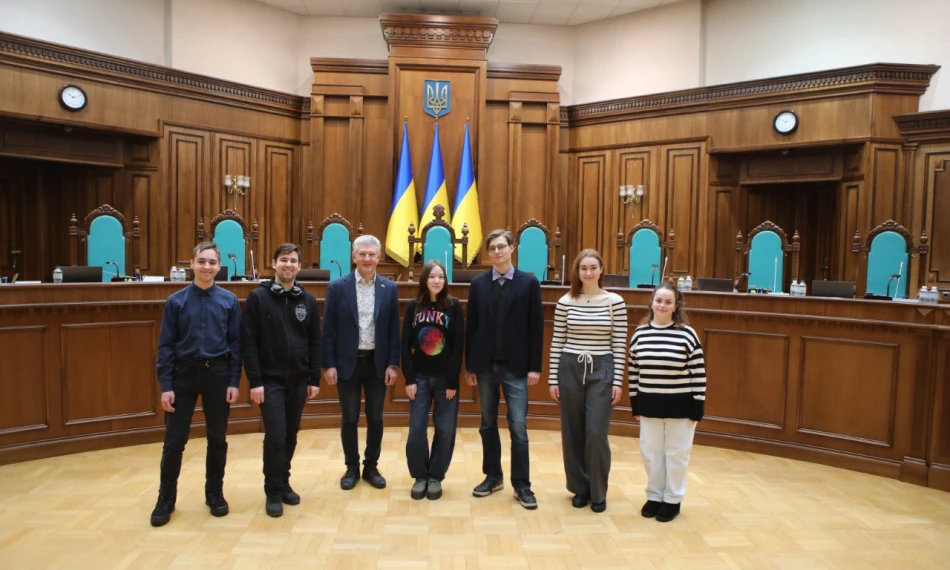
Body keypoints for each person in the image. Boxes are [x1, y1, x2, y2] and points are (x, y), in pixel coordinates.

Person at [151, 242, 242, 527]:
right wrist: (166, 385)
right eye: (201, 261)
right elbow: (166, 345)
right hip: (183, 377)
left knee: (217, 439)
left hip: (217, 374)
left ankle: (214, 493)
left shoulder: (229, 301)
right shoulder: (176, 301)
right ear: (191, 264)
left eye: (212, 262)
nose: (206, 267)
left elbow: (236, 345)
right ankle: (166, 499)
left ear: (218, 267)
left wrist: (234, 381)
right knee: (174, 441)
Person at [465, 229, 544, 509]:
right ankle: (493, 476)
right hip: (485, 367)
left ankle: (522, 485)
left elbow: (536, 327)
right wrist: (470, 366)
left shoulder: (529, 283)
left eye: (502, 247)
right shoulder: (478, 284)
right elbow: (471, 328)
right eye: (492, 249)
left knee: (518, 427)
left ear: (512, 248)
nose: (497, 252)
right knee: (487, 424)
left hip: (517, 368)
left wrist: (535, 367)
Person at [242, 243, 321, 517]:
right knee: (275, 435)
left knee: (290, 434)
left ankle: (284, 481)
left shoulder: (308, 300)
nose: (288, 264)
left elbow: (314, 341)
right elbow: (249, 342)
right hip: (269, 381)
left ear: (300, 267)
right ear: (274, 263)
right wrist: (255, 381)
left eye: (294, 261)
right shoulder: (257, 298)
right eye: (283, 259)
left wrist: (314, 377)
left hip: (299, 380)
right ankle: (272, 491)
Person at [548, 249, 627, 513]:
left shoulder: (615, 301)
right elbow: (557, 340)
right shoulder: (565, 301)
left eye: (593, 267)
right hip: (570, 367)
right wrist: (552, 379)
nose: (589, 272)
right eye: (584, 268)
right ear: (577, 271)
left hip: (601, 368)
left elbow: (618, 344)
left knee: (596, 432)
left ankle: (598, 490)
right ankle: (580, 487)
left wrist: (617, 381)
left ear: (601, 270)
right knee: (572, 431)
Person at [322, 234, 400, 490]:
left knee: (376, 418)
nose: (367, 259)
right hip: (347, 363)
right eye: (362, 254)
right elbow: (327, 330)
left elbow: (393, 332)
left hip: (377, 364)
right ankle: (351, 467)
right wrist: (329, 364)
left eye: (372, 254)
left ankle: (371, 466)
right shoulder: (337, 287)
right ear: (354, 257)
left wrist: (392, 364)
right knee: (349, 418)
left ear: (379, 257)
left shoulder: (390, 288)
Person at [628, 283, 706, 523]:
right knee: (650, 453)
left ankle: (672, 499)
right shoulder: (640, 334)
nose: (662, 305)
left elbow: (698, 372)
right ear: (651, 303)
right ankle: (654, 495)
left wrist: (698, 404)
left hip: (680, 407)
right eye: (658, 301)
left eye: (667, 302)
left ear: (675, 306)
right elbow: (633, 370)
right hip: (649, 405)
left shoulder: (687, 334)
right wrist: (635, 402)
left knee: (676, 454)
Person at [401, 260, 464, 501]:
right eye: (432, 277)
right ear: (424, 280)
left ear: (445, 280)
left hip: (444, 380)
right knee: (417, 429)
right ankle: (420, 475)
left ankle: (436, 475)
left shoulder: (454, 306)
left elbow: (458, 346)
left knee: (445, 429)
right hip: (419, 377)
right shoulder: (413, 307)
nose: (436, 281)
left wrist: (452, 381)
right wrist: (409, 379)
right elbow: (406, 345)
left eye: (440, 277)